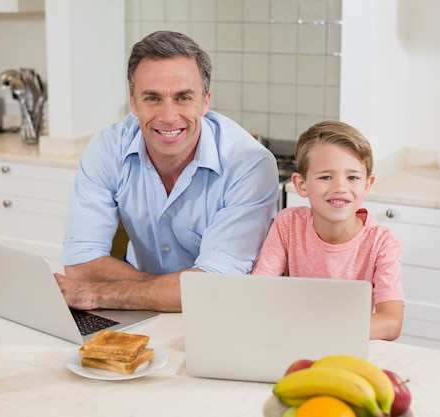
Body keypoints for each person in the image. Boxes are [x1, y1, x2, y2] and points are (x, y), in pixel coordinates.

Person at [55, 31, 279, 313]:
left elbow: (215, 289)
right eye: (152, 98)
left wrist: (103, 294)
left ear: (206, 101)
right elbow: (79, 266)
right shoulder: (108, 148)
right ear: (133, 102)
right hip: (134, 313)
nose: (168, 116)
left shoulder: (250, 165)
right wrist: (169, 292)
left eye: (183, 97)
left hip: (220, 316)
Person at [251, 120, 404, 341]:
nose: (340, 187)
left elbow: (391, 323)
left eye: (352, 177)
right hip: (294, 343)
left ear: (367, 185)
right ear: (301, 185)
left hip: (348, 349)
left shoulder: (383, 243)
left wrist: (315, 330)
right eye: (325, 177)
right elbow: (258, 294)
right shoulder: (288, 225)